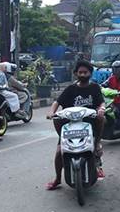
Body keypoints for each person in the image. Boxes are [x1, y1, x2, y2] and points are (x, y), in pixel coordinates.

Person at [45, 60, 106, 190]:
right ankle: (57, 179)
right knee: (59, 152)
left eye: (85, 72)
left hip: (89, 123)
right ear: (76, 74)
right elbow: (57, 102)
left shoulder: (95, 88)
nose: (83, 74)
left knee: (102, 119)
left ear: (90, 73)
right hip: (71, 126)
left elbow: (101, 103)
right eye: (80, 72)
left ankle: (97, 144)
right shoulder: (70, 89)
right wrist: (52, 112)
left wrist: (101, 109)